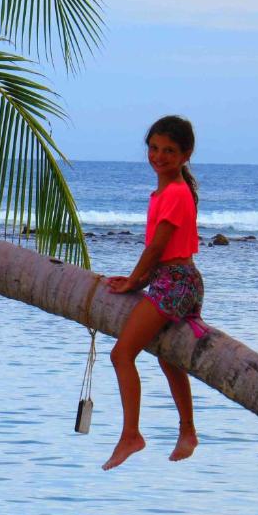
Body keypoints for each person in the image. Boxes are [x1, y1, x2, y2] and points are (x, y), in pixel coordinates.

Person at [102, 115, 206, 471]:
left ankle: (132, 434)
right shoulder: (165, 192)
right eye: (154, 148)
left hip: (175, 281)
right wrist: (141, 279)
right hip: (175, 279)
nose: (159, 156)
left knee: (121, 354)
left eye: (169, 151)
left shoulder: (175, 193)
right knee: (167, 357)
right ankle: (188, 432)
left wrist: (134, 281)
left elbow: (157, 247)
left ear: (185, 155)